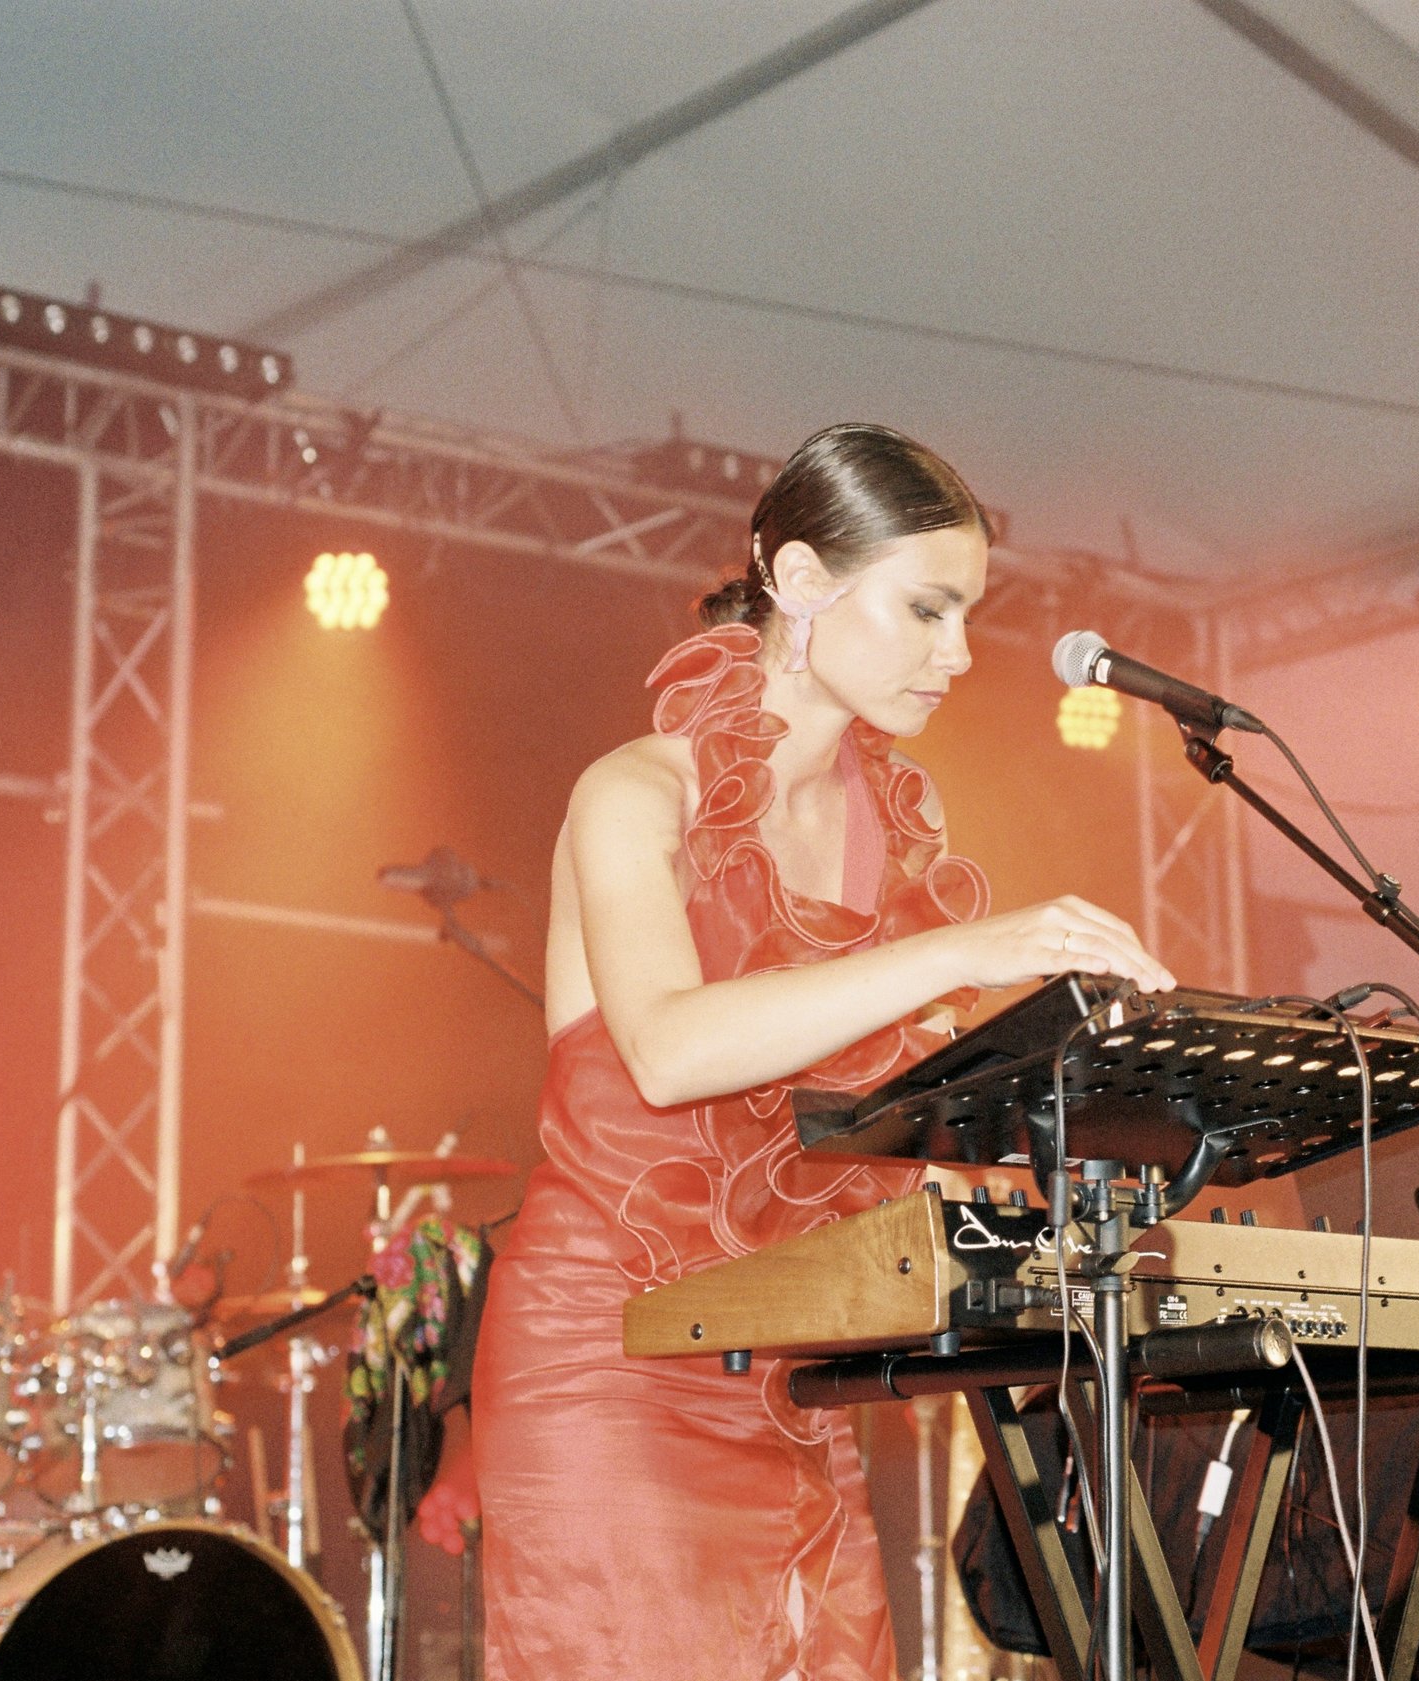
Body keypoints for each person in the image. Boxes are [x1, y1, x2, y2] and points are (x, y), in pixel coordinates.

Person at [460, 423, 1174, 1681]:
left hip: (786, 1357)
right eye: (927, 609)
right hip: (609, 1353)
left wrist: (1080, 1086)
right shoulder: (633, 792)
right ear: (798, 581)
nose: (957, 656)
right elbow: (672, 1053)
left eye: (968, 618)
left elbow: (877, 1097)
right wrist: (963, 955)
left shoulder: (898, 822)